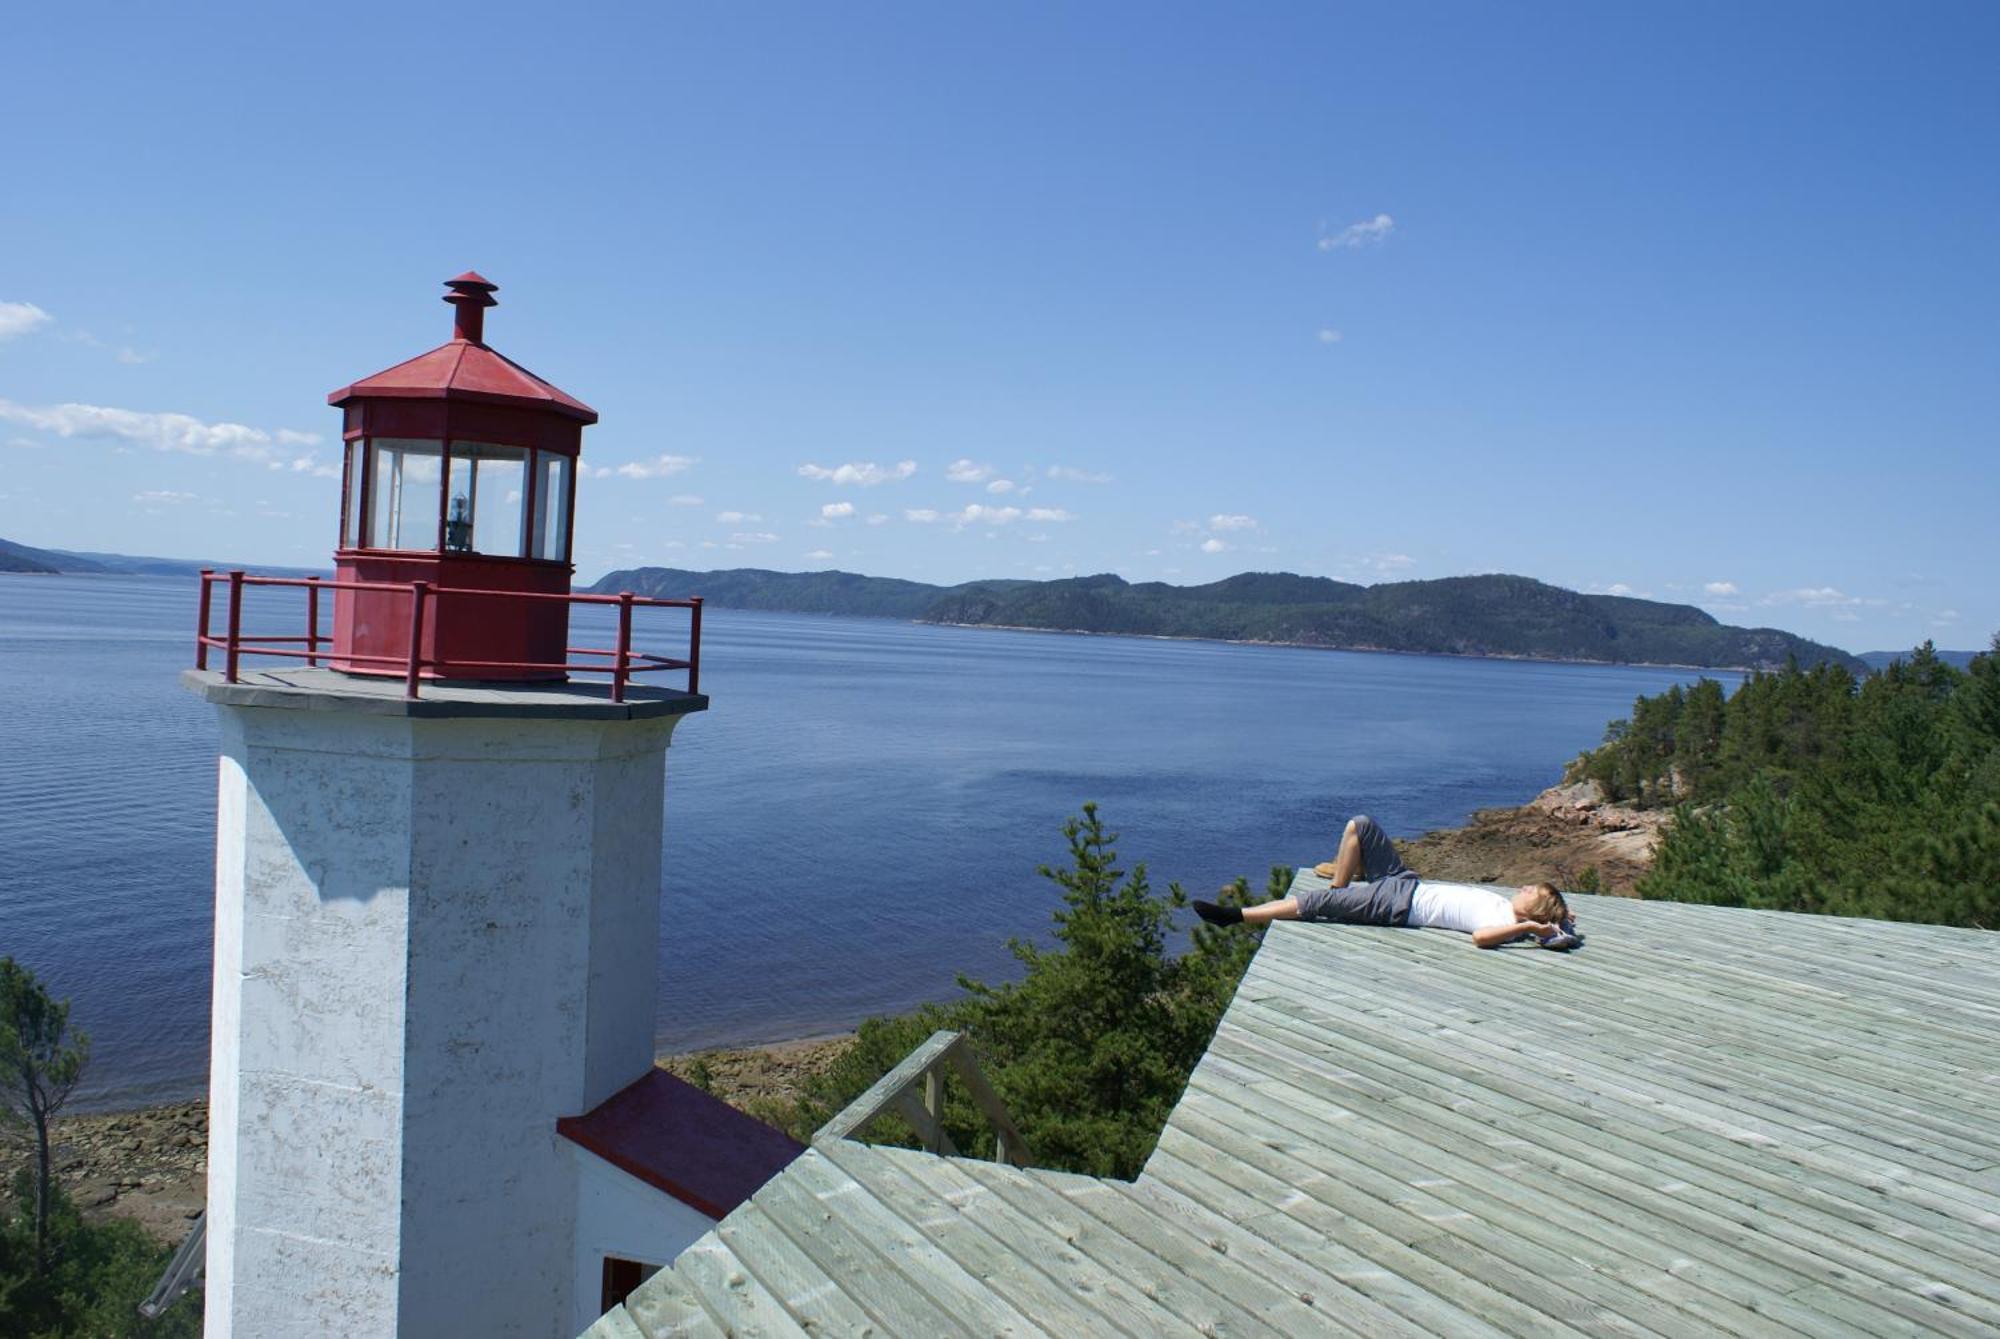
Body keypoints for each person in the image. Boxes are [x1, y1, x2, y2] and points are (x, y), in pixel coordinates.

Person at [1193, 814, 1580, 949]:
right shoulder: (1512, 912)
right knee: (1360, 826)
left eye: (1533, 894)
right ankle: (1342, 889)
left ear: (1534, 913)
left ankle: (1236, 915)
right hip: (1405, 881)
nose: (1526, 888)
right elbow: (1561, 930)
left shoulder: (1508, 925)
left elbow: (1480, 940)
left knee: (1313, 905)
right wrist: (1562, 919)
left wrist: (1530, 927)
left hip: (1396, 906)